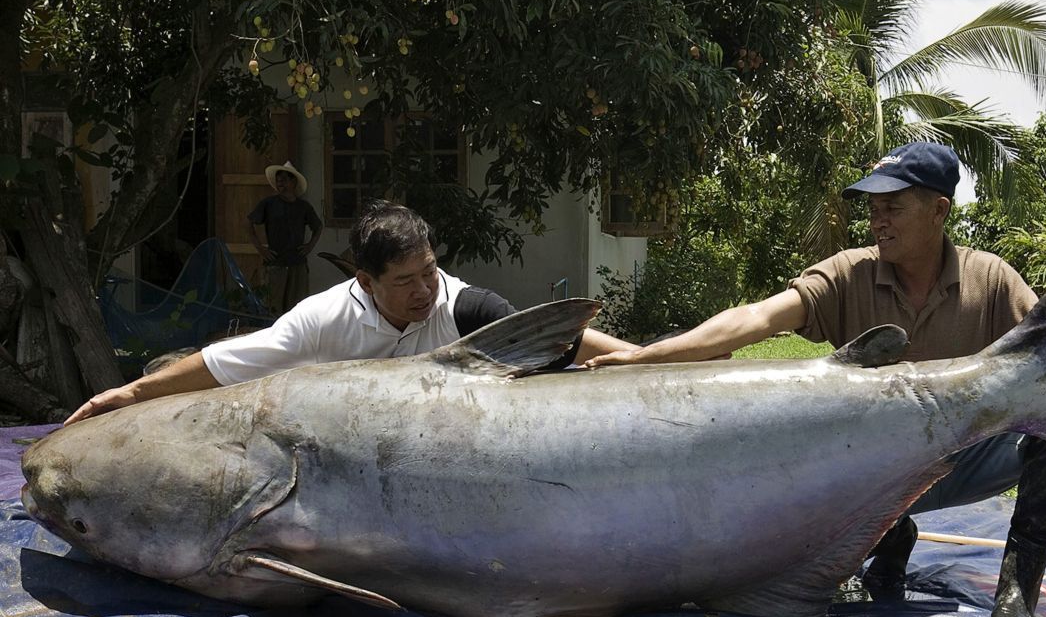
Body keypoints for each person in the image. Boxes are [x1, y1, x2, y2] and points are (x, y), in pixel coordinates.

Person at [586, 141, 1046, 617]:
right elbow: (753, 321)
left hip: (965, 455)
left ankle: (1019, 587)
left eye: (892, 205)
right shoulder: (847, 275)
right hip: (860, 473)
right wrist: (645, 357)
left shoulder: (991, 279)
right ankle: (882, 548)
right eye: (872, 206)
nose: (877, 219)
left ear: (938, 210)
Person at [67, 200, 637, 425]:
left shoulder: (465, 307)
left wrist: (646, 359)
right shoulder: (320, 322)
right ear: (364, 280)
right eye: (405, 281)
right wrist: (135, 395)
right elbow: (224, 364)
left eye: (429, 272)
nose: (424, 290)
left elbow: (558, 338)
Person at [250, 161, 324, 314]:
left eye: (284, 179)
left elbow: (318, 227)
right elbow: (249, 223)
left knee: (297, 307)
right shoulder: (269, 204)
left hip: (297, 263)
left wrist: (309, 246)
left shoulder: (303, 207)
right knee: (274, 306)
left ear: (293, 182)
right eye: (278, 180)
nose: (280, 182)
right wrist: (260, 249)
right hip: (276, 262)